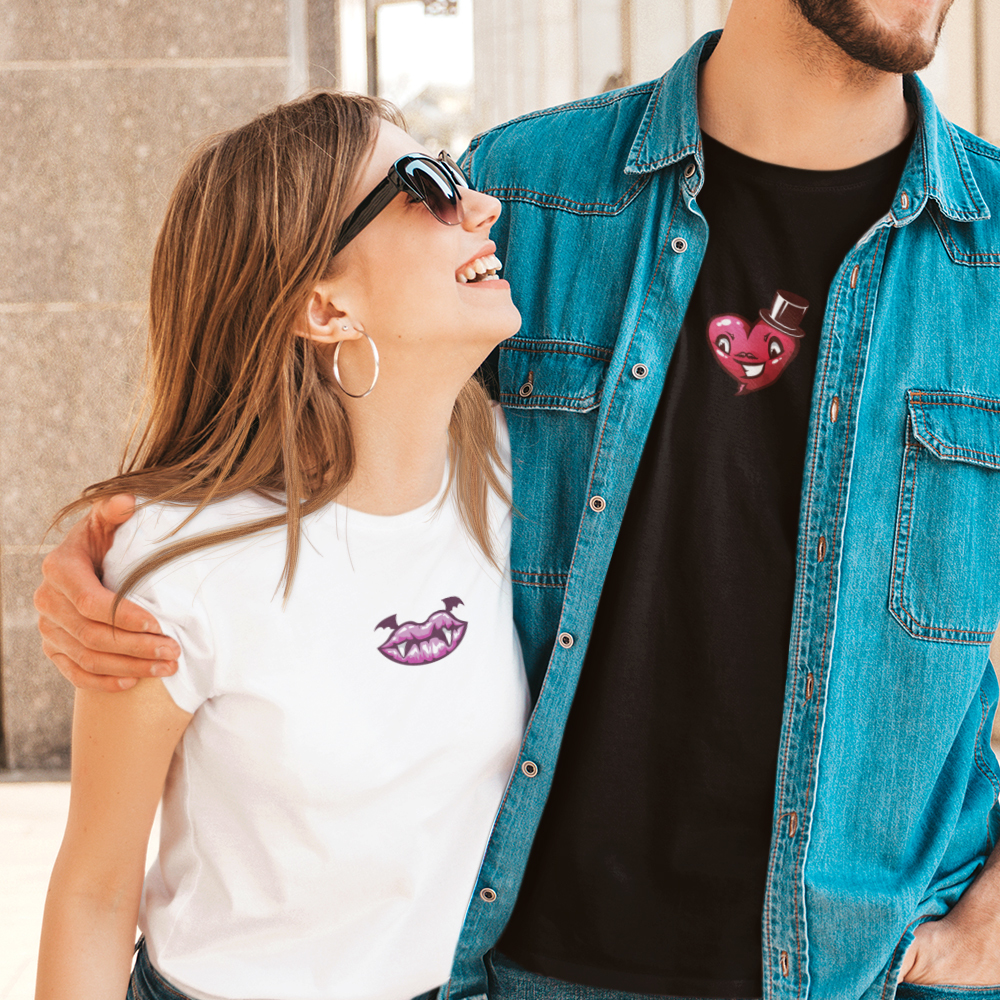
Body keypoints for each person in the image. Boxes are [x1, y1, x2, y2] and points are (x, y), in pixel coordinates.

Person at [33, 0, 1000, 997]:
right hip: (534, 968)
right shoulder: (527, 192)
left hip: (886, 969)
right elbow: (317, 402)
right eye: (433, 193)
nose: (467, 210)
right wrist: (121, 553)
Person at [33, 91, 530, 1000]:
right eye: (425, 185)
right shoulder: (182, 566)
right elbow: (95, 893)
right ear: (323, 306)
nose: (483, 206)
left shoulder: (516, 477)